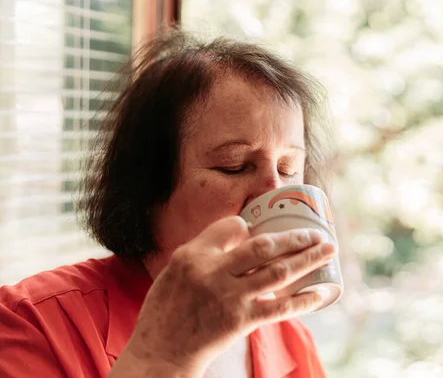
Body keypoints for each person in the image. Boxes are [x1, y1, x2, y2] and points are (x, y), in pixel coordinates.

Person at [0, 29, 337, 378]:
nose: (273, 192)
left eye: (288, 169)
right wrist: (164, 359)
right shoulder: (32, 321)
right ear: (147, 186)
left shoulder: (288, 337)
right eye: (234, 166)